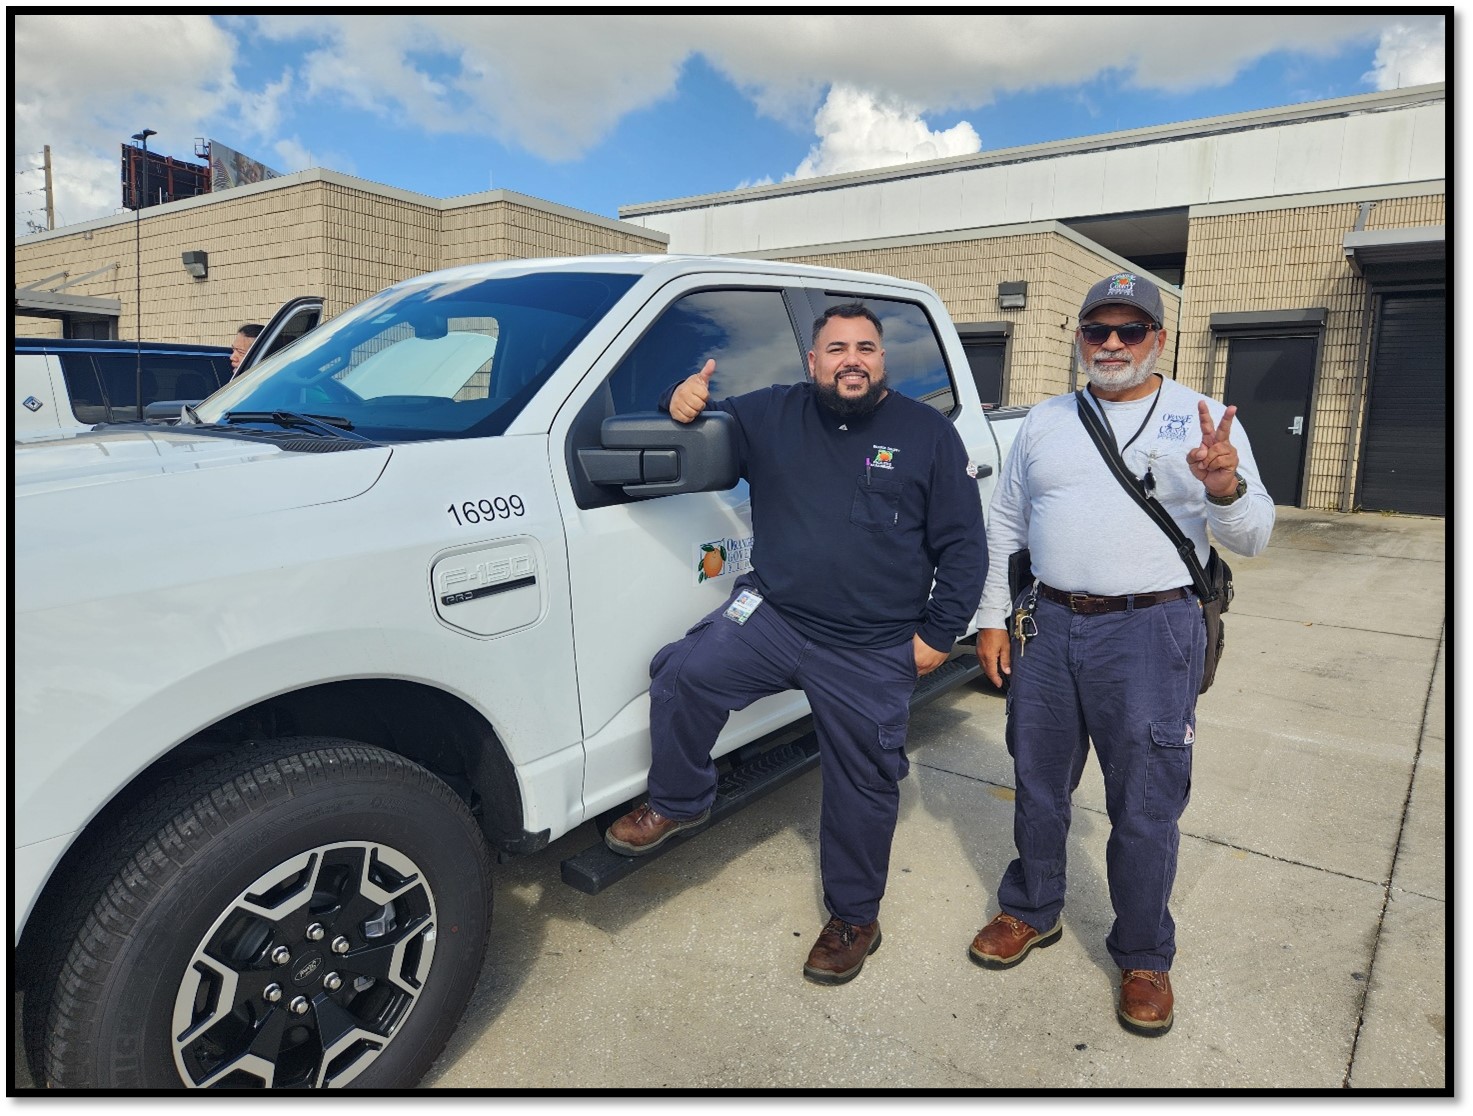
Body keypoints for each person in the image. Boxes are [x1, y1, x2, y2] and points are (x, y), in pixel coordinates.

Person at [605, 303, 988, 985]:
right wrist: (676, 396)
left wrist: (936, 634)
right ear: (812, 362)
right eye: (835, 348)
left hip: (871, 643)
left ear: (881, 360)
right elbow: (696, 410)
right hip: (777, 616)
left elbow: (963, 544)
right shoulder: (768, 412)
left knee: (862, 784)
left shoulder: (925, 432)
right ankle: (680, 799)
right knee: (684, 672)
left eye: (865, 348)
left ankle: (853, 918)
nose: (851, 359)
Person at [968, 272, 1274, 1036]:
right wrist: (991, 619)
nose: (1109, 345)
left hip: (1151, 631)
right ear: (1078, 338)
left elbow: (1255, 537)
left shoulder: (1200, 419)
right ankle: (1031, 909)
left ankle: (1142, 953)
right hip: (1047, 622)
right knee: (1037, 783)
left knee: (1144, 801)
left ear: (1157, 340)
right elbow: (1005, 524)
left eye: (1127, 331)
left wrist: (1225, 487)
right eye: (1095, 331)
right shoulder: (1043, 420)